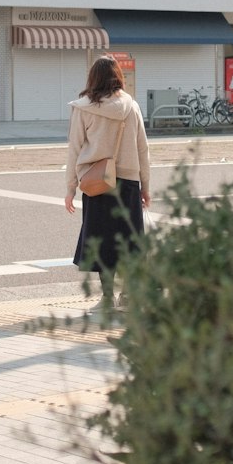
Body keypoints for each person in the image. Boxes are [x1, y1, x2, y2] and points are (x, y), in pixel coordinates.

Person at [64, 55, 151, 310]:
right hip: (128, 182)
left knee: (101, 240)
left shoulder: (83, 109)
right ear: (118, 77)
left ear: (93, 78)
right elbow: (143, 149)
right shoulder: (131, 106)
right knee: (128, 240)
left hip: (96, 182)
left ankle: (106, 298)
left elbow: (74, 149)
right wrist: (146, 187)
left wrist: (70, 188)